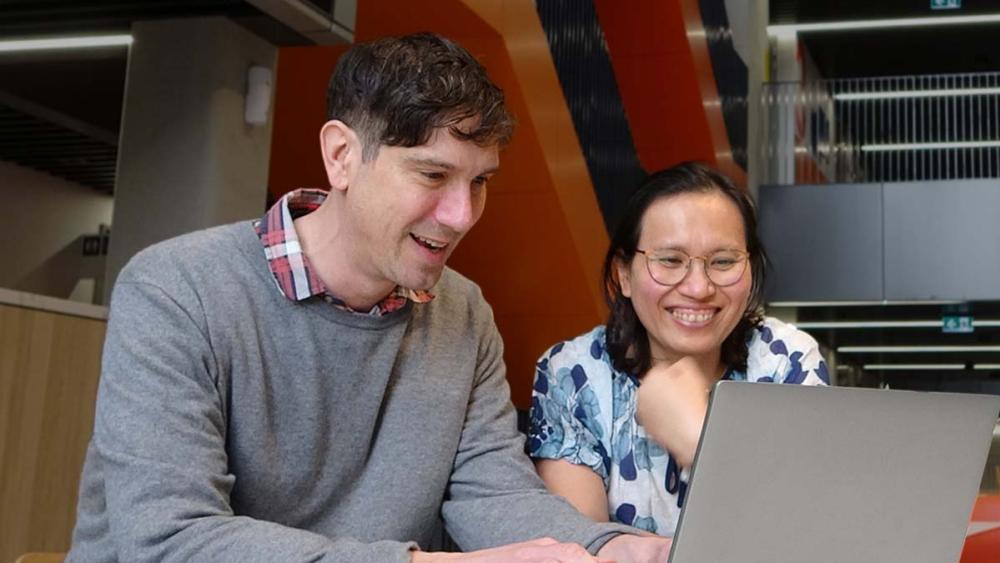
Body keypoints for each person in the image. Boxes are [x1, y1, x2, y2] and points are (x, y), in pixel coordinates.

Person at [66, 33, 670, 562]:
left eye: (479, 182)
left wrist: (612, 547)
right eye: (432, 176)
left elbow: (494, 493)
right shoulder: (177, 290)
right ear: (341, 156)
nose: (461, 216)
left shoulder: (464, 313)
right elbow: (171, 541)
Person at [528, 162, 830, 536]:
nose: (699, 287)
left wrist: (698, 438)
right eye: (670, 261)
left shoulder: (786, 361)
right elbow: (580, 547)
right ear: (623, 274)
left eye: (723, 262)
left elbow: (807, 534)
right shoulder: (574, 375)